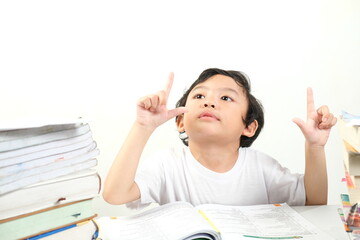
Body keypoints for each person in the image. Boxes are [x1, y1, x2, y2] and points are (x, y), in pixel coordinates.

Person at [102, 68, 337, 208]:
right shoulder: (166, 165)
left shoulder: (261, 168)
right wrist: (143, 126)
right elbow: (114, 195)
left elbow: (314, 202)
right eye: (199, 95)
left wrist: (315, 146)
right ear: (180, 121)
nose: (209, 102)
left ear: (249, 127)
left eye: (226, 98)